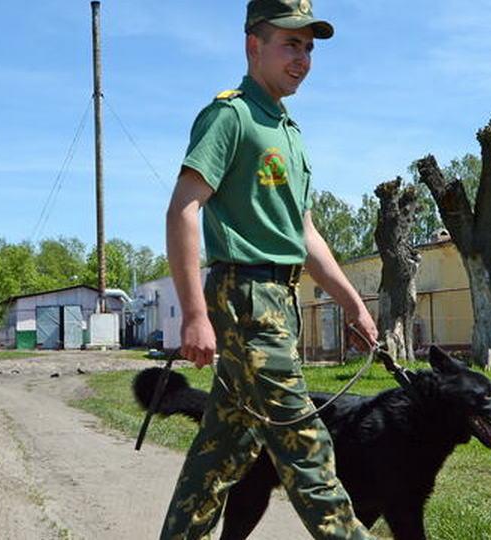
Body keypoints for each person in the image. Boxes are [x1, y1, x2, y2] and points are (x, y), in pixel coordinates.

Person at [161, 1, 378, 538]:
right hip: (246, 297)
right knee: (307, 446)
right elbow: (183, 208)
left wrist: (353, 304)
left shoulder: (287, 130)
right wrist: (194, 314)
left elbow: (302, 235)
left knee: (223, 449)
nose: (302, 58)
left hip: (278, 300)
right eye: (290, 43)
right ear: (253, 45)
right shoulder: (230, 117)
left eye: (308, 47)